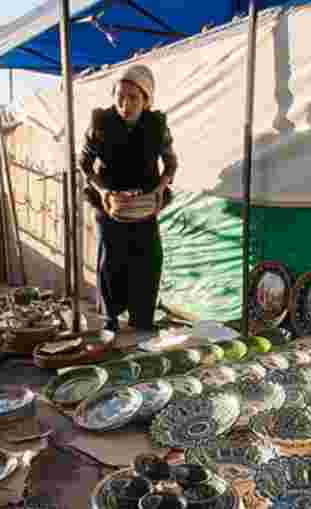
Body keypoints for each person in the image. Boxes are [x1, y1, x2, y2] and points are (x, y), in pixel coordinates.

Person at [79, 64, 178, 336]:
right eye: (120, 97)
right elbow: (84, 163)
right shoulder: (100, 123)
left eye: (133, 98)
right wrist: (103, 192)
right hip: (111, 204)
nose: (125, 104)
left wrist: (159, 189)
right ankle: (111, 318)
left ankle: (142, 318)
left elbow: (170, 163)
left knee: (149, 259)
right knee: (111, 260)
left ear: (146, 100)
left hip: (145, 205)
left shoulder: (157, 126)